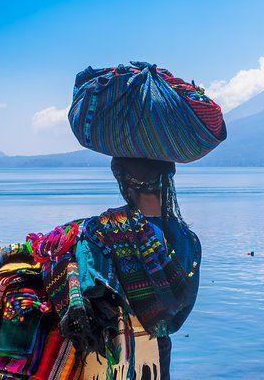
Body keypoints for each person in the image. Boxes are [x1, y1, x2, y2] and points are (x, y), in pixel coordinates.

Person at [81, 157, 201, 380]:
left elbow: (92, 291)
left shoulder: (105, 230)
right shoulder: (190, 241)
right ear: (166, 182)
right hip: (158, 354)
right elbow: (183, 308)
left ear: (125, 184)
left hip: (115, 356)